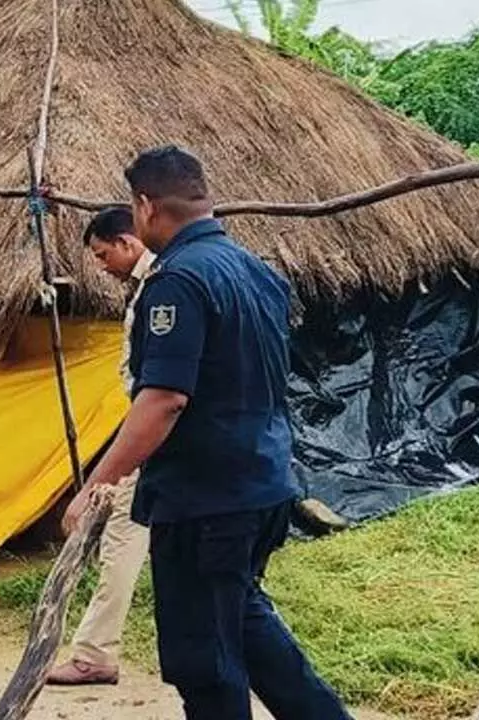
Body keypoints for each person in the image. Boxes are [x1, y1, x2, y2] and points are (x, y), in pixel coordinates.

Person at [62, 147, 350, 720]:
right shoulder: (258, 271)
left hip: (205, 500)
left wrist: (100, 480)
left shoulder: (177, 282)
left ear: (144, 207)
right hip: (264, 484)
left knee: (205, 660)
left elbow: (164, 398)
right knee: (245, 626)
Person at [47, 207, 152, 686]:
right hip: (161, 428)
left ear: (128, 241)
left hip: (155, 431)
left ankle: (94, 653)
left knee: (123, 537)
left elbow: (162, 393)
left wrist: (98, 481)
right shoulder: (156, 284)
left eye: (103, 253)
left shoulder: (166, 285)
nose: (102, 265)